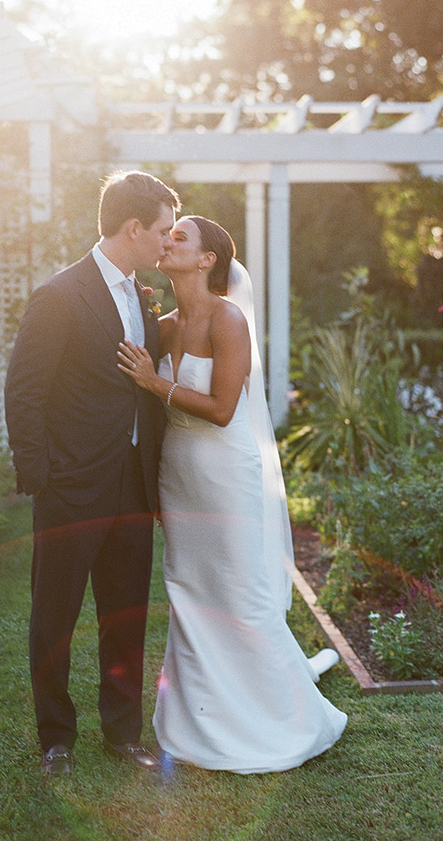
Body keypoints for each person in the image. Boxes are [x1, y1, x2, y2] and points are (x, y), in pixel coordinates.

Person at [118, 215, 347, 773]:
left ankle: (278, 717)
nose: (167, 242)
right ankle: (199, 721)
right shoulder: (165, 325)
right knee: (191, 591)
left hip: (226, 472)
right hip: (179, 473)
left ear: (206, 260)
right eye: (166, 236)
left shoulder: (229, 320)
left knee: (240, 595)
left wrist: (155, 383)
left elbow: (223, 411)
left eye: (180, 238)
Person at [5, 171, 180, 776]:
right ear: (133, 228)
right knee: (54, 614)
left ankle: (122, 734)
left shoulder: (144, 293)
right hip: (70, 485)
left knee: (125, 611)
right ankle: (56, 736)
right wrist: (41, 476)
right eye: (161, 230)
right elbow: (24, 390)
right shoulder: (59, 295)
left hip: (133, 480)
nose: (168, 241)